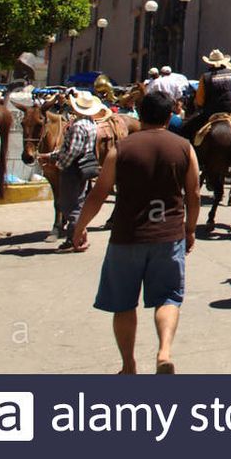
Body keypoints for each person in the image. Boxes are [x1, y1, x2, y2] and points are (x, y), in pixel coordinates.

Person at [72, 90, 200, 374]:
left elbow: (99, 193)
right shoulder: (184, 147)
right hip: (168, 236)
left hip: (127, 237)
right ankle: (164, 352)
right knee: (168, 297)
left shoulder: (122, 148)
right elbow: (193, 193)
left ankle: (128, 365)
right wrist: (190, 229)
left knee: (123, 303)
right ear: (170, 117)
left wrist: (79, 227)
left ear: (140, 115)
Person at [38, 90, 103, 252]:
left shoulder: (78, 126)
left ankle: (77, 237)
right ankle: (75, 237)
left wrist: (59, 164)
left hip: (73, 168)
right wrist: (50, 155)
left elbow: (72, 151)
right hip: (84, 165)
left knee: (68, 204)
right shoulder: (91, 124)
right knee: (78, 201)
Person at [181, 49, 231, 140]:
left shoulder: (205, 77)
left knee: (186, 129)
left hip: (211, 113)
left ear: (210, 63)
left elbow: (200, 101)